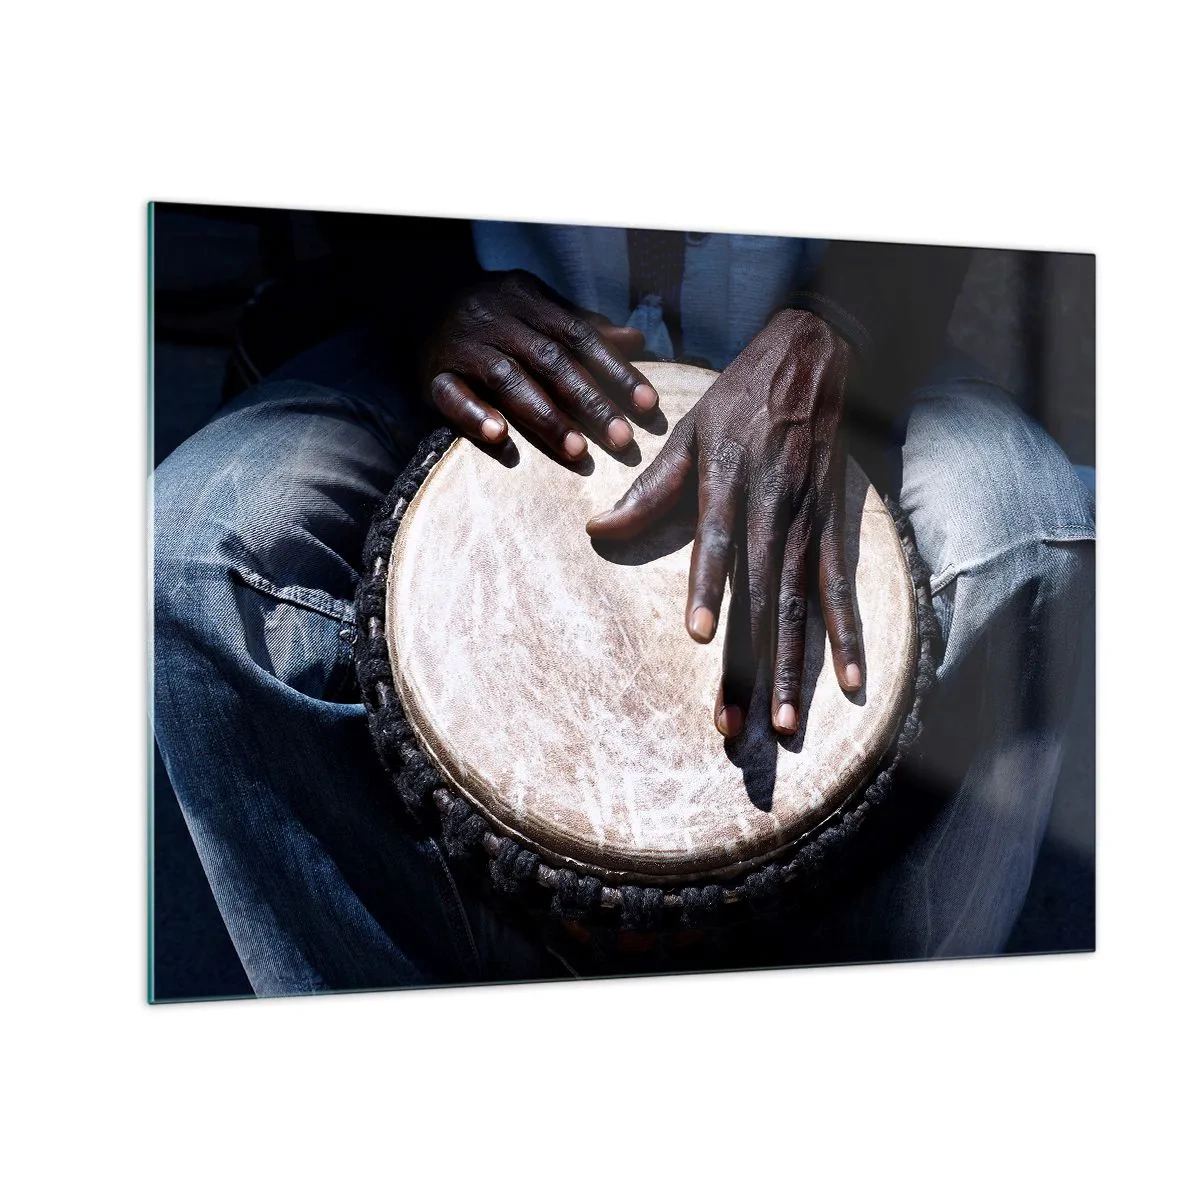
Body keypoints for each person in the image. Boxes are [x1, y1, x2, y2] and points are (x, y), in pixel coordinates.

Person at [153, 220, 1095, 996]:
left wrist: (841, 326)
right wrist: (426, 290)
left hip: (835, 357)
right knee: (193, 555)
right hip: (491, 336)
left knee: (1028, 539)